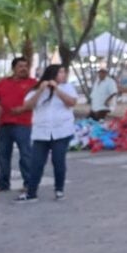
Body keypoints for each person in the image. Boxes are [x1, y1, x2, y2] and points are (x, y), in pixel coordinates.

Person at [15, 64, 78, 203]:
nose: (63, 75)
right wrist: (41, 90)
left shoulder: (67, 87)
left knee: (58, 161)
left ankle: (59, 189)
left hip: (61, 130)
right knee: (36, 163)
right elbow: (28, 106)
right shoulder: (37, 88)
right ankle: (31, 193)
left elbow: (71, 102)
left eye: (64, 72)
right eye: (60, 72)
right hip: (41, 132)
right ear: (53, 74)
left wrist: (56, 89)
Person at [0, 57, 37, 194]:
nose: (24, 69)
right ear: (14, 68)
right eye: (20, 66)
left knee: (25, 155)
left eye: (25, 66)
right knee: (3, 156)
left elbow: (37, 100)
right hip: (4, 124)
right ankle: (3, 184)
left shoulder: (33, 83)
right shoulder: (3, 82)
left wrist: (24, 108)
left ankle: (29, 184)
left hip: (23, 124)